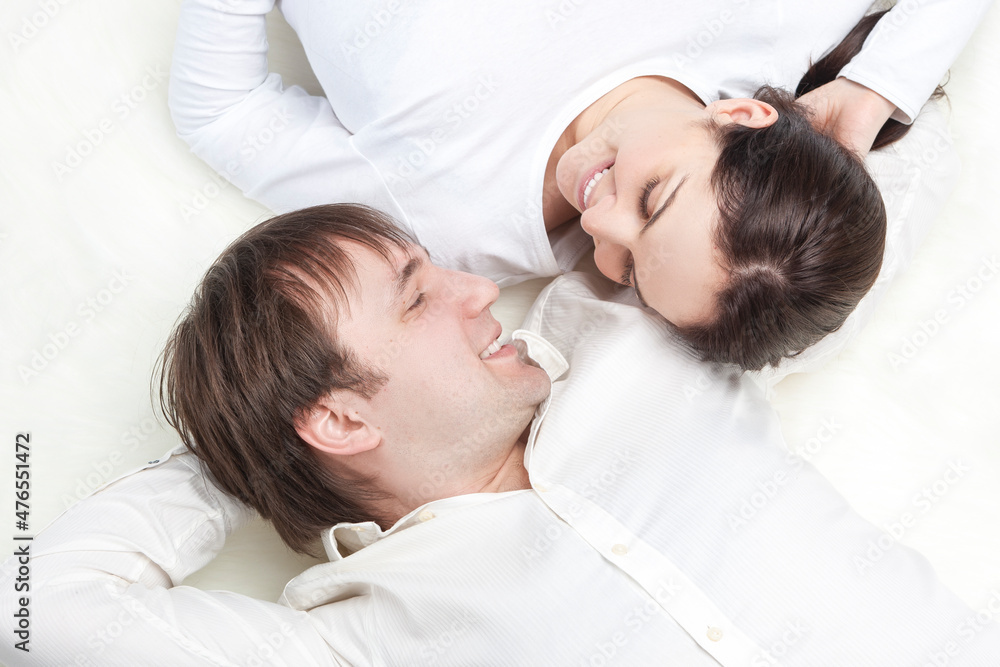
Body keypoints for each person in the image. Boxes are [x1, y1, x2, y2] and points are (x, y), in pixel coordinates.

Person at [3, 204, 998, 666]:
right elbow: (38, 605)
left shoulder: (624, 333)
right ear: (342, 418)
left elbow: (856, 198)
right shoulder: (354, 634)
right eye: (418, 296)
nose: (478, 289)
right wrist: (247, 448)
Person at [168, 0, 991, 370]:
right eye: (654, 197)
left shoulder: (457, 224)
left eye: (626, 267)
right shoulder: (762, 20)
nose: (601, 224)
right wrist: (880, 85)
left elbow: (222, 115)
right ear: (739, 115)